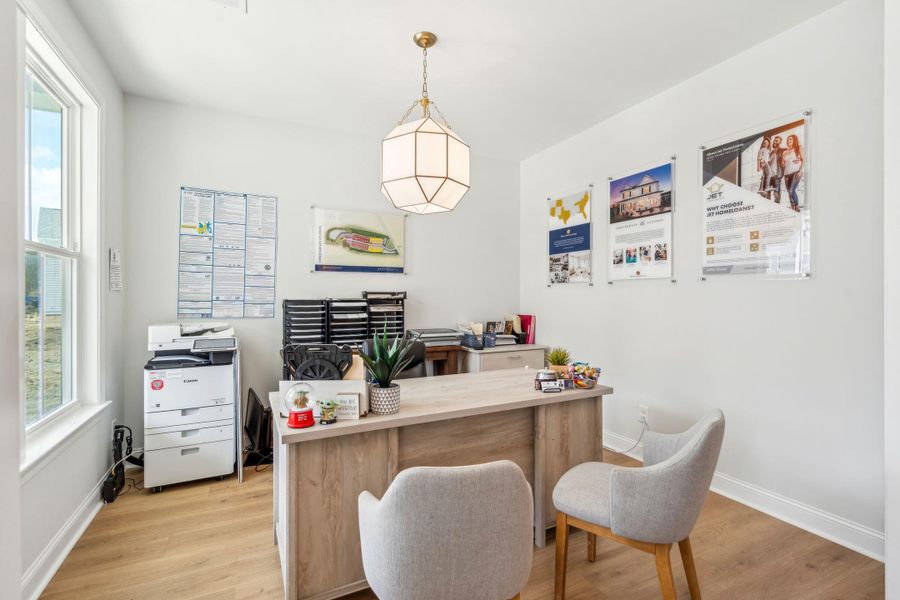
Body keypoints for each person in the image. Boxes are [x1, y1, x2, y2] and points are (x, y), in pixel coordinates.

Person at [781, 134, 804, 212]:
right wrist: (783, 163)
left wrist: (800, 171)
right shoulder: (784, 152)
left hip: (796, 171)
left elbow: (803, 160)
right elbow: (783, 164)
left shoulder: (798, 148)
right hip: (786, 173)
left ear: (794, 140)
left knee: (791, 190)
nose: (788, 141)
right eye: (787, 140)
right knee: (789, 192)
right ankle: (793, 207)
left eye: (790, 139)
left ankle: (796, 206)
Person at [768, 136, 785, 203]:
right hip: (769, 176)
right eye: (774, 140)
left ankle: (777, 208)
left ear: (780, 142)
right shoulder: (771, 153)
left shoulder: (782, 150)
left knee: (776, 193)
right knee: (766, 194)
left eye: (777, 140)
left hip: (776, 175)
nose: (775, 142)